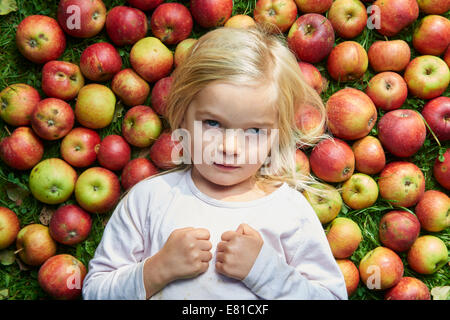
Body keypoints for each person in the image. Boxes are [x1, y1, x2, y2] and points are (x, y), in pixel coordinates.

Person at [82, 24, 348, 300]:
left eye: (254, 131)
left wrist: (268, 272)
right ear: (182, 117)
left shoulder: (290, 212)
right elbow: (95, 293)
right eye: (212, 123)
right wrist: (157, 270)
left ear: (277, 135)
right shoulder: (149, 200)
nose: (230, 148)